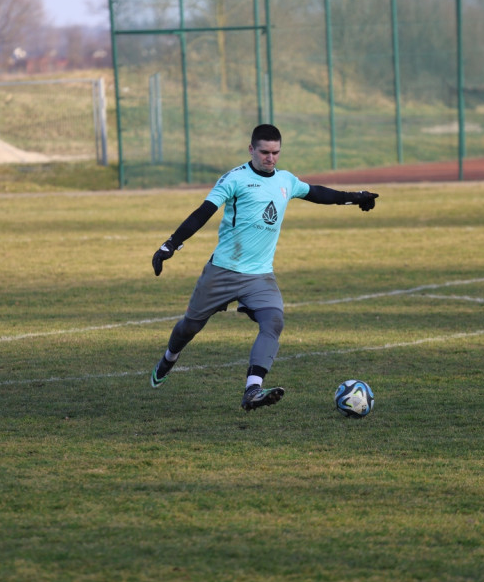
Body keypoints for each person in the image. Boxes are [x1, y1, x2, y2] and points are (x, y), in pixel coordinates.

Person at [149, 123, 379, 411]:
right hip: (222, 271)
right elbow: (203, 212)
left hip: (259, 275)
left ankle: (252, 390)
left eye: (275, 152)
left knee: (273, 322)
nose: (270, 158)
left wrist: (355, 196)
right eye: (264, 152)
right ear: (251, 150)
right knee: (190, 327)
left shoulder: (286, 180)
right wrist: (172, 244)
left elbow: (318, 193)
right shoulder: (234, 179)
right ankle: (169, 358)